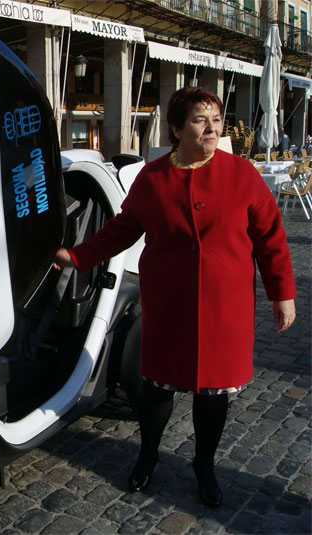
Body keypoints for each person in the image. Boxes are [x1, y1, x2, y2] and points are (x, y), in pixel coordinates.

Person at [53, 87, 296, 508]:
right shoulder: (154, 176)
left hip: (226, 306)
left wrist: (282, 294)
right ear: (177, 128)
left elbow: (271, 237)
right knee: (156, 389)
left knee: (213, 395)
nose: (212, 128)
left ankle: (205, 465)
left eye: (216, 120)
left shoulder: (241, 174)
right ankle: (148, 455)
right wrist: (77, 256)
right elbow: (122, 229)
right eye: (201, 120)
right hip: (169, 303)